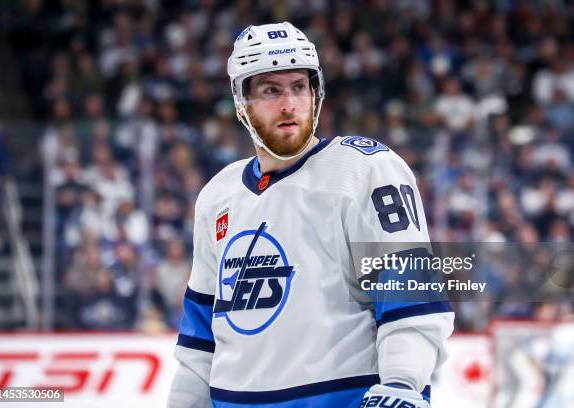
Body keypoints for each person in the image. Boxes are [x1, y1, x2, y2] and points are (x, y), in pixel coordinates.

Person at [168, 22, 454, 408]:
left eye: (299, 87)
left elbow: (411, 294)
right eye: (271, 90)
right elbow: (199, 340)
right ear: (241, 102)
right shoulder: (218, 195)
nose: (289, 104)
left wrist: (403, 384)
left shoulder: (364, 169)